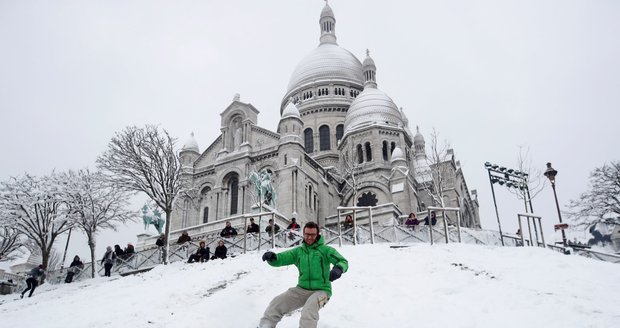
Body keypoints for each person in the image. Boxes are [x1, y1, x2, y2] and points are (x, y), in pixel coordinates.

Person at [259, 221, 348, 328]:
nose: (309, 237)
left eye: (313, 235)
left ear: (318, 235)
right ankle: (265, 325)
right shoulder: (299, 252)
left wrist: (339, 268)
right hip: (301, 290)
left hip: (322, 291)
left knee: (309, 310)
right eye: (307, 234)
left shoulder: (326, 250)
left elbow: (343, 261)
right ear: (303, 234)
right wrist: (273, 257)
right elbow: (282, 258)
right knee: (277, 303)